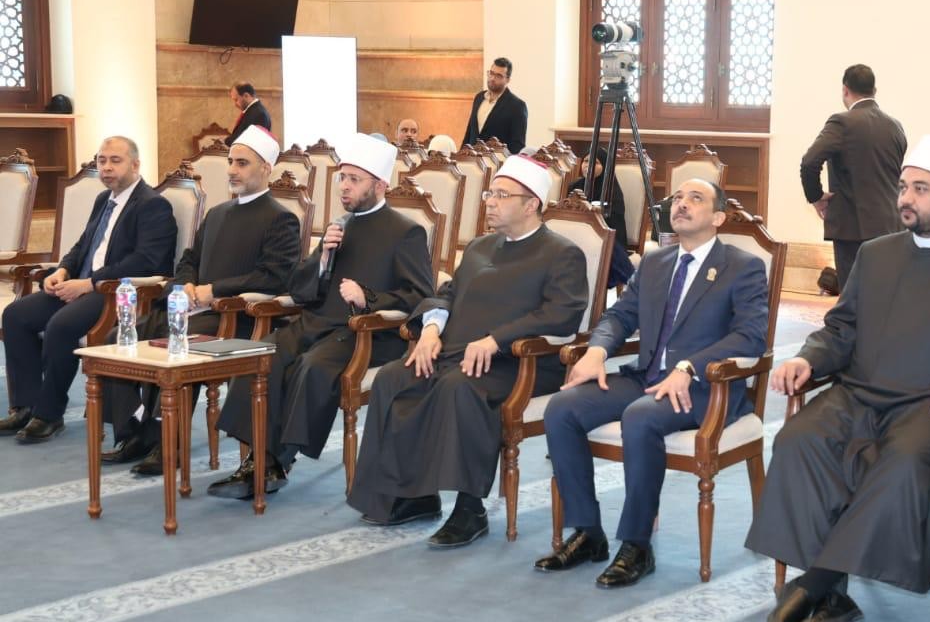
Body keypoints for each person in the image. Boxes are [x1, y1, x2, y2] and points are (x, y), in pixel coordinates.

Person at [747, 135, 930, 622]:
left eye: (921, 189)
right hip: (857, 394)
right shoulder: (875, 254)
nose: (906, 198)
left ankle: (815, 585)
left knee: (901, 466)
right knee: (798, 441)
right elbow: (841, 328)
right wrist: (808, 358)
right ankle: (833, 593)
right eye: (903, 187)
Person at [535, 178, 768, 587]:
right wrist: (597, 351)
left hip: (705, 388)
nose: (681, 204)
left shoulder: (742, 266)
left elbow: (750, 336)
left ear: (718, 217)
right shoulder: (656, 262)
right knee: (563, 407)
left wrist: (690, 367)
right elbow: (620, 316)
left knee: (640, 417)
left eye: (695, 198)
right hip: (647, 376)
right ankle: (588, 533)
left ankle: (637, 545)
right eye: (677, 197)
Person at [347, 155, 589, 545]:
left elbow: (562, 315)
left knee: (458, 386)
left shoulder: (562, 253)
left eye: (502, 195)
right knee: (393, 378)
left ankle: (469, 508)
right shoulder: (480, 246)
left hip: (519, 363)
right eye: (490, 193)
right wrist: (431, 329)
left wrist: (497, 339)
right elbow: (447, 292)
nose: (490, 202)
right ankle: (411, 496)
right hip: (455, 353)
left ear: (532, 204)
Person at [207, 134, 434, 499]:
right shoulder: (340, 224)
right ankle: (260, 458)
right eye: (342, 178)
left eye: (354, 180)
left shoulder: (406, 232)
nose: (344, 186)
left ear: (379, 185)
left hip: (363, 333)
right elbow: (299, 288)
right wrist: (324, 260)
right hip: (316, 323)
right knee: (261, 357)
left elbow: (420, 296)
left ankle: (274, 460)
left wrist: (369, 297)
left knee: (312, 367)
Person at [99, 127, 301, 473]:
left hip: (237, 317)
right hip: (192, 308)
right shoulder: (218, 213)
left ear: (266, 168)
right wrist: (187, 287)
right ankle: (135, 431)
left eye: (242, 163)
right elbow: (189, 260)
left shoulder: (281, 218)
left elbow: (273, 277)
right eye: (230, 162)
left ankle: (169, 442)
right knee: (117, 337)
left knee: (177, 342)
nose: (232, 170)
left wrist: (214, 291)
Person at [1, 137, 177, 444]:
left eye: (115, 161)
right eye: (101, 160)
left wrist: (90, 282)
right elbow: (83, 245)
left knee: (61, 325)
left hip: (115, 293)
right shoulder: (103, 199)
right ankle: (26, 405)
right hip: (80, 285)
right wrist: (62, 270)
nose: (106, 167)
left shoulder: (153, 205)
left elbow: (146, 261)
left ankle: (49, 413)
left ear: (136, 165)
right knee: (16, 315)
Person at [800, 64, 907, 291]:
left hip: (853, 227)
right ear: (874, 91)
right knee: (885, 295)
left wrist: (816, 197)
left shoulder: (842, 122)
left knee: (854, 299)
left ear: (845, 90)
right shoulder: (896, 127)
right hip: (892, 227)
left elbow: (809, 162)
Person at [568, 146, 633, 287]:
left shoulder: (612, 190)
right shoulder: (574, 187)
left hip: (606, 238)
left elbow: (613, 223)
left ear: (605, 166)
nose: (589, 165)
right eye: (586, 161)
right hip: (576, 235)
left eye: (596, 162)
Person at [462, 57, 527, 154]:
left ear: (508, 80)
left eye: (499, 76)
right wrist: (461, 155)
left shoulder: (517, 106)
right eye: (491, 73)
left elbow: (517, 146)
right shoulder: (479, 97)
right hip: (472, 159)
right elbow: (469, 132)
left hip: (497, 161)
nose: (492, 78)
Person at [226, 82, 271, 146]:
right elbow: (240, 134)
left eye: (236, 100)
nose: (235, 104)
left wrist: (225, 141)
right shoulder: (252, 111)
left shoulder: (259, 114)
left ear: (246, 96)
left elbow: (247, 141)